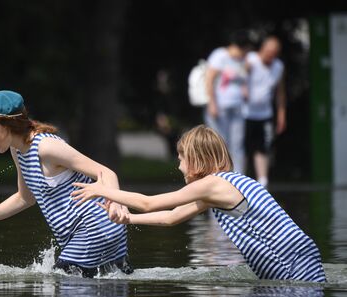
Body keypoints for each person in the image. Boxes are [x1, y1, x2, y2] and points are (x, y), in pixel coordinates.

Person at [71, 125, 326, 283]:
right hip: (300, 254)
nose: (179, 165)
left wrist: (102, 190)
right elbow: (170, 218)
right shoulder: (225, 185)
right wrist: (128, 219)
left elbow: (149, 203)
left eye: (181, 157)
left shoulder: (211, 184)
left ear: (196, 159)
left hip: (290, 261)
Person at [0, 90, 132, 277]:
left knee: (63, 284)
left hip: (94, 228)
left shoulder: (46, 147)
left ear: (9, 124)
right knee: (110, 295)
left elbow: (107, 173)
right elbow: (24, 198)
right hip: (102, 231)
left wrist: (115, 203)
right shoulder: (17, 150)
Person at [205, 30, 252, 174]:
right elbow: (209, 80)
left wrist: (245, 89)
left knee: (237, 144)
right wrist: (212, 103)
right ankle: (218, 175)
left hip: (238, 107)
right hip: (220, 107)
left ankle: (238, 177)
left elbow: (242, 79)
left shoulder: (243, 60)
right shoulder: (220, 56)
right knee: (220, 143)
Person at [245, 36, 286, 188]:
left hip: (265, 114)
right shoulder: (251, 59)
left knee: (263, 148)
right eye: (269, 52)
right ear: (262, 49)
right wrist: (243, 87)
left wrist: (281, 114)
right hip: (246, 113)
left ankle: (263, 181)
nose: (270, 56)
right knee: (243, 147)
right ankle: (238, 176)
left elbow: (280, 92)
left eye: (274, 54)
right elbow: (241, 76)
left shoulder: (278, 67)